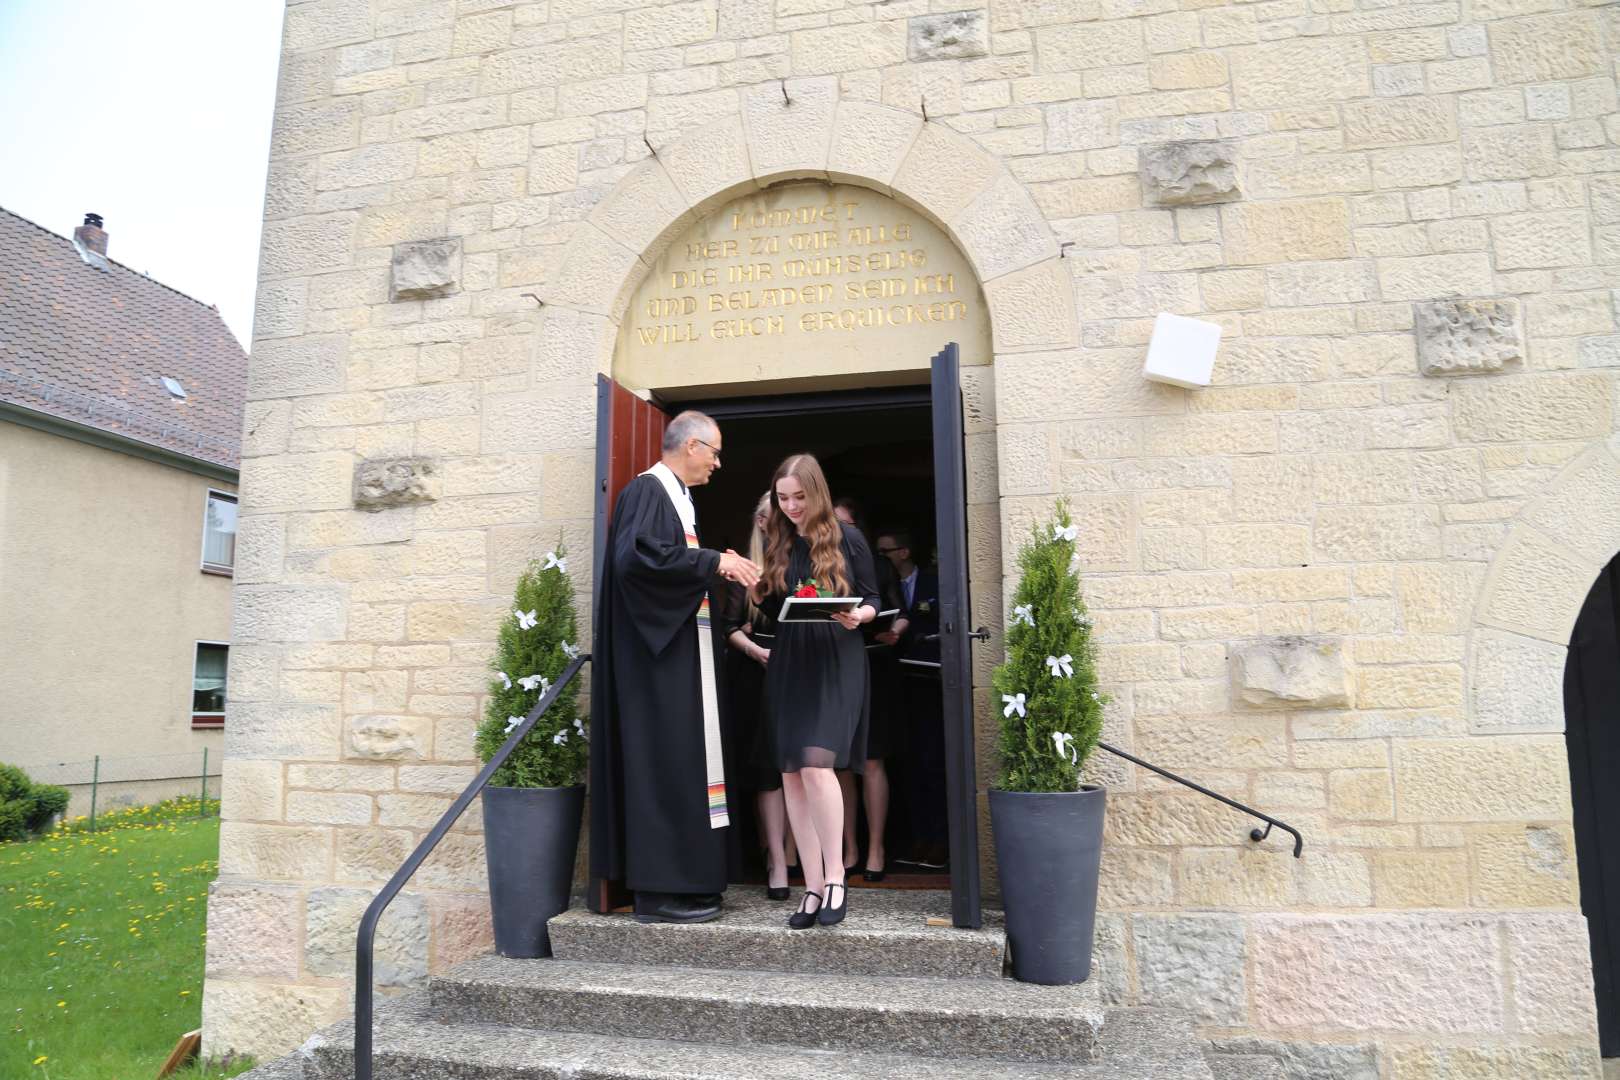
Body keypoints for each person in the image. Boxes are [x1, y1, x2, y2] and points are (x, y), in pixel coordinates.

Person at [589, 411, 762, 924]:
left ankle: (691, 883)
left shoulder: (679, 500)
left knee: (688, 763)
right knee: (665, 763)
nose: (717, 464)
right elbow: (636, 562)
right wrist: (712, 562)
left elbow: (669, 562)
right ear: (691, 446)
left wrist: (712, 565)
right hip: (656, 666)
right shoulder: (648, 491)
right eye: (715, 452)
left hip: (682, 658)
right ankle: (658, 894)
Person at [754, 455, 880, 929]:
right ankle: (810, 886)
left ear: (817, 493)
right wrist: (756, 587)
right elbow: (774, 607)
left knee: (815, 764)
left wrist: (859, 616)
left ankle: (835, 878)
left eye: (799, 498)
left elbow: (873, 598)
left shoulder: (848, 538)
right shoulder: (780, 539)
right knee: (791, 773)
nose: (790, 507)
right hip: (791, 660)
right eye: (783, 498)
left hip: (835, 658)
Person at [719, 492, 798, 900]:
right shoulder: (749, 567)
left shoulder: (805, 558)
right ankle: (777, 862)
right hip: (758, 675)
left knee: (803, 768)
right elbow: (729, 626)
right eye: (771, 516)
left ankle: (801, 856)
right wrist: (757, 652)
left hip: (801, 673)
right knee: (768, 772)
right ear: (761, 522)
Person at [832, 497, 904, 882]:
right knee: (841, 763)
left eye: (845, 524)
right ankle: (849, 848)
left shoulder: (878, 564)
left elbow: (900, 611)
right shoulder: (823, 562)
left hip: (875, 664)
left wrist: (896, 631)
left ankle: (876, 848)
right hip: (836, 668)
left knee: (873, 760)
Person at [875, 528, 948, 871]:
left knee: (933, 761)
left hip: (929, 682)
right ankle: (916, 838)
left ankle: (940, 840)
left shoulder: (934, 583)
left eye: (885, 552)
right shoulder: (879, 587)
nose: (880, 559)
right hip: (895, 683)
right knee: (907, 763)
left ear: (903, 552)